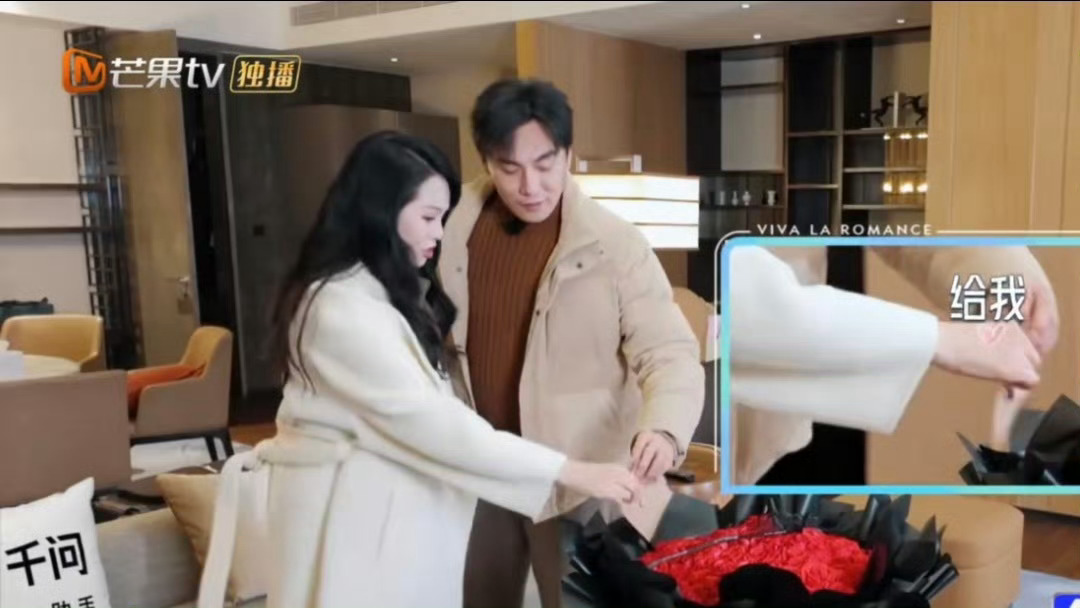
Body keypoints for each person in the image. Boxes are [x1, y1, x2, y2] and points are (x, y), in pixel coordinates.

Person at [195, 131, 646, 608]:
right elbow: (432, 424)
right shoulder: (338, 308)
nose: (439, 234)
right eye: (429, 217)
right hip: (349, 516)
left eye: (443, 219)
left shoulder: (378, 294)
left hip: (381, 511)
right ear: (381, 211)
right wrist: (569, 470)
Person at [437, 79, 705, 608]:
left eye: (545, 164)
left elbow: (669, 351)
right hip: (482, 467)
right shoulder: (448, 227)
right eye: (509, 168)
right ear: (486, 161)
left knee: (576, 599)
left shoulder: (616, 244)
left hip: (580, 475)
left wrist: (665, 428)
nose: (530, 186)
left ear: (568, 154)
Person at [729, 244, 1058, 485]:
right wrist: (937, 339)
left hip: (783, 420)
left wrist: (1006, 283)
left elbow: (901, 210)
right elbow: (733, 293)